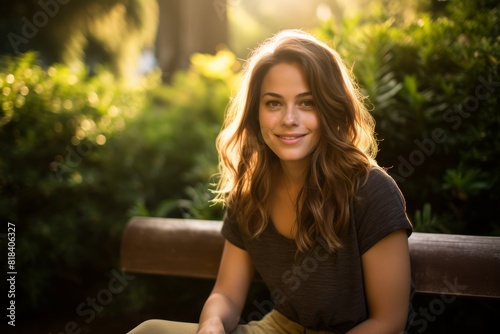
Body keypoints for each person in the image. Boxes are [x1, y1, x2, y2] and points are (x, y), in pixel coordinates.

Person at [128, 29, 414, 334]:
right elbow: (226, 294)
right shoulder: (252, 192)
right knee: (149, 331)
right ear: (256, 112)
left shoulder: (371, 191)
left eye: (307, 103)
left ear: (331, 108)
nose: (289, 119)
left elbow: (388, 322)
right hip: (279, 328)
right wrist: (210, 325)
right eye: (274, 103)